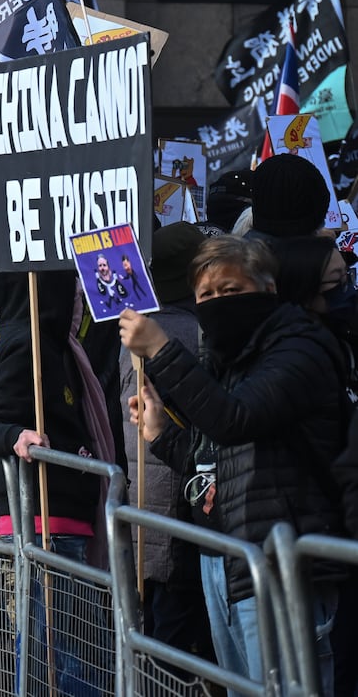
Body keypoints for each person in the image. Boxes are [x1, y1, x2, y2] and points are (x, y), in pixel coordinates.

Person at [124, 235, 348, 691]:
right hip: (226, 562)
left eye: (231, 290)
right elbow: (215, 457)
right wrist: (162, 435)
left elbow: (234, 419)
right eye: (206, 294)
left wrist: (163, 350)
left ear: (267, 289)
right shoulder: (229, 356)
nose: (217, 303)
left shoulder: (298, 347)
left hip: (279, 568)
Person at [0, 266, 116, 695]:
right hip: (46, 524)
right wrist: (14, 436)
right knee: (66, 662)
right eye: (70, 288)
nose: (78, 298)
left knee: (47, 656)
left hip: (51, 521)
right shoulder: (28, 343)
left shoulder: (34, 341)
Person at [115, 223, 214, 670]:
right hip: (180, 511)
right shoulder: (194, 335)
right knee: (174, 656)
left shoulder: (133, 335)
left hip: (144, 513)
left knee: (150, 644)